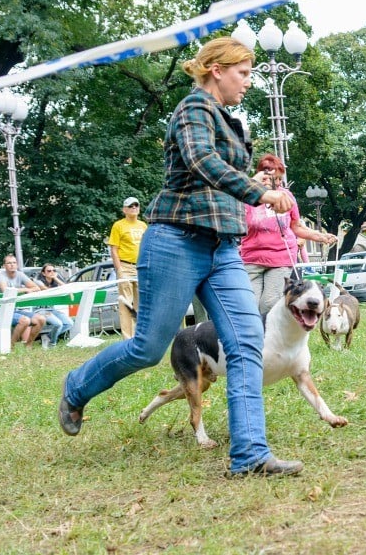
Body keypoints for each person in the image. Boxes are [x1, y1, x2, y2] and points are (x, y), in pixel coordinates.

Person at [59, 36, 303, 477]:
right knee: (148, 347)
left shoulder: (231, 122)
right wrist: (260, 191)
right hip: (176, 242)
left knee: (246, 342)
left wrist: (259, 190)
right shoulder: (193, 110)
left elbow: (221, 177)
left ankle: (249, 455)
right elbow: (201, 161)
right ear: (216, 70)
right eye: (243, 73)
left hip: (224, 248)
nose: (249, 83)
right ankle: (77, 386)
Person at [240, 153, 338, 316]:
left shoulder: (286, 196)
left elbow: (296, 226)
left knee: (269, 304)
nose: (278, 183)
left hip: (281, 258)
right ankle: (251, 339)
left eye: (280, 179)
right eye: (275, 179)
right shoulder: (247, 197)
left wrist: (320, 236)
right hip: (251, 259)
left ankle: (267, 338)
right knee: (249, 306)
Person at [109, 197, 148, 339]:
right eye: (130, 206)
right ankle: (127, 338)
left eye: (136, 205)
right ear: (124, 209)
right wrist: (119, 269)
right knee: (125, 301)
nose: (134, 208)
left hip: (141, 267)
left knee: (141, 303)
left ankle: (139, 336)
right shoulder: (118, 225)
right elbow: (114, 249)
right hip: (125, 266)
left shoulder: (143, 225)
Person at [0, 255, 47, 349]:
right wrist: (25, 289)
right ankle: (10, 346)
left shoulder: (20, 275)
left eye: (14, 263)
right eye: (9, 263)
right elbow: (6, 291)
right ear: (4, 266)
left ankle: (28, 345)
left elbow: (36, 288)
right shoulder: (1, 276)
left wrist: (25, 289)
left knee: (41, 319)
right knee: (25, 320)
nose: (12, 265)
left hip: (14, 310)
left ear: (17, 265)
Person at [34, 264, 74, 346]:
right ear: (43, 273)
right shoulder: (38, 281)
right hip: (40, 310)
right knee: (58, 324)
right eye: (49, 271)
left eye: (54, 270)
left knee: (69, 323)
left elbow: (67, 288)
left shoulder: (54, 281)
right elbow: (48, 291)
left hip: (51, 309)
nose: (52, 272)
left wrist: (56, 278)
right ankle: (52, 343)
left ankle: (47, 337)